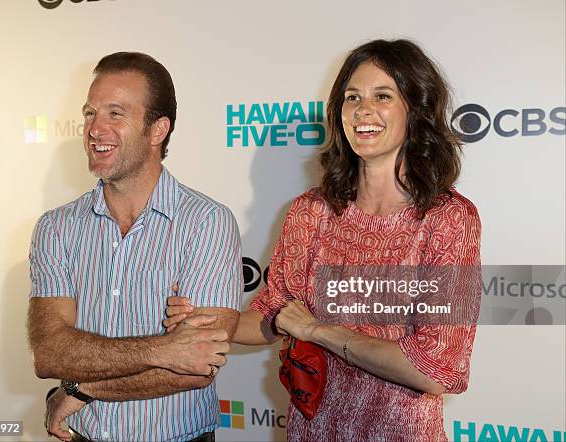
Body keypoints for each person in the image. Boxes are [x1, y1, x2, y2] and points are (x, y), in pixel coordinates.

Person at [165, 39, 482, 441]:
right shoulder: (311, 211)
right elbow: (272, 316)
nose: (363, 110)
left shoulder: (447, 218)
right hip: (315, 428)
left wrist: (319, 331)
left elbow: (437, 368)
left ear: (416, 111)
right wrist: (211, 320)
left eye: (382, 96)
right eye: (352, 98)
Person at [27, 52, 243, 442]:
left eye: (115, 114)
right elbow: (48, 352)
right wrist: (164, 350)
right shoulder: (55, 228)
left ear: (157, 129)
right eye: (90, 113)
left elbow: (197, 367)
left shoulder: (207, 223)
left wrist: (82, 390)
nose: (95, 128)